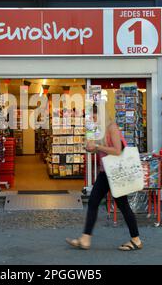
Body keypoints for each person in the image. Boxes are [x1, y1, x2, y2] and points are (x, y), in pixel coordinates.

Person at [66, 105, 142, 251]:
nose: (93, 121)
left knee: (122, 206)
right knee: (94, 202)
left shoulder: (112, 127)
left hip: (115, 172)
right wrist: (91, 148)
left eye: (94, 118)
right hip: (106, 172)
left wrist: (98, 147)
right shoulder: (98, 130)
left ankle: (136, 239)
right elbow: (99, 149)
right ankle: (86, 238)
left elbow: (117, 150)